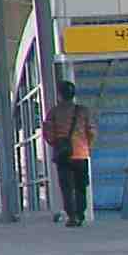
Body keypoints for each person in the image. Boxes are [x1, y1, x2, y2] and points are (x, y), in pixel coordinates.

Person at [42, 80, 96, 227]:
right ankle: (80, 214)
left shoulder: (54, 112)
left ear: (59, 95)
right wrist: (86, 145)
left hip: (63, 155)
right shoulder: (83, 111)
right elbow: (91, 130)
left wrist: (56, 143)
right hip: (81, 153)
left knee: (66, 187)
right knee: (80, 186)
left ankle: (72, 216)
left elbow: (48, 132)